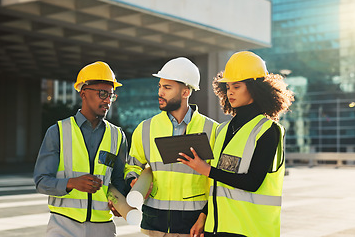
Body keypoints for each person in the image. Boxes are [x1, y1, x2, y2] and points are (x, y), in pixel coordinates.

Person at [178, 51, 294, 237]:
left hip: (252, 231)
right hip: (217, 229)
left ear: (255, 89)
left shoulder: (268, 130)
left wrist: (205, 169)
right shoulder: (222, 130)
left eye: (237, 86)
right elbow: (219, 184)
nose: (230, 91)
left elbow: (253, 182)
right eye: (228, 87)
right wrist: (203, 216)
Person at [124, 57, 219, 237]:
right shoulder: (145, 128)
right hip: (155, 224)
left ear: (185, 92)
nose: (160, 92)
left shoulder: (212, 130)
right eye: (159, 86)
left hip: (193, 227)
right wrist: (133, 180)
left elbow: (218, 181)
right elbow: (132, 166)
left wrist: (205, 216)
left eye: (167, 88)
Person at [33, 61, 129, 237]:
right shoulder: (58, 132)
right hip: (63, 225)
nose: (107, 100)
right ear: (83, 93)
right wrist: (72, 183)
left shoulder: (117, 136)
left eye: (111, 95)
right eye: (102, 93)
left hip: (103, 227)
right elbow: (41, 181)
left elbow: (118, 181)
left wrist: (120, 203)